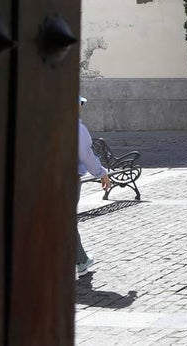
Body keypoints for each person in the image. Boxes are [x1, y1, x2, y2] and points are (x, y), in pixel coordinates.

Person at [76, 96, 111, 275]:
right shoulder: (77, 129)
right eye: (80, 104)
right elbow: (86, 155)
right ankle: (81, 261)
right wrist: (102, 173)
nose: (81, 107)